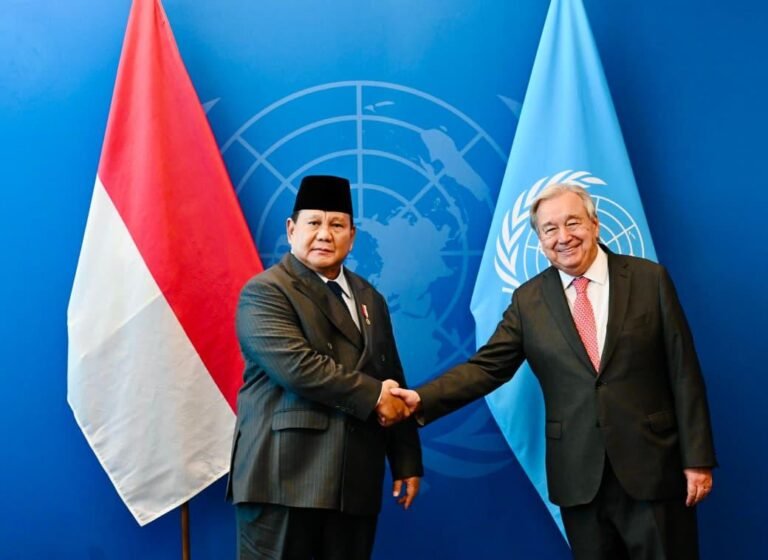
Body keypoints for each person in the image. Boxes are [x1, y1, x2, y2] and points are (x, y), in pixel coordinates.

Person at [389, 183, 716, 559]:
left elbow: (684, 372)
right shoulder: (528, 301)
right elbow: (486, 368)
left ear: (594, 224)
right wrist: (420, 398)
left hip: (654, 470)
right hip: (579, 479)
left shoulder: (649, 279)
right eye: (550, 229)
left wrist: (697, 458)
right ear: (540, 241)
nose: (563, 237)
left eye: (573, 222)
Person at [227, 175, 423, 560]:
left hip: (354, 481)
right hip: (284, 479)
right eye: (314, 222)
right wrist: (376, 396)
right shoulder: (266, 291)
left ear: (352, 236)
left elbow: (391, 375)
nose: (324, 234)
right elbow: (299, 368)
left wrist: (405, 459)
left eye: (336, 225)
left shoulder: (370, 297)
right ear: (291, 229)